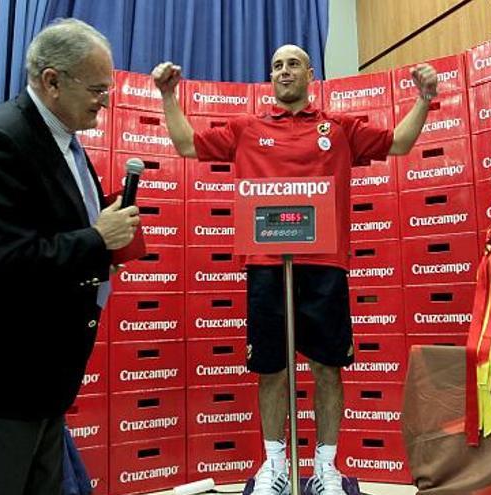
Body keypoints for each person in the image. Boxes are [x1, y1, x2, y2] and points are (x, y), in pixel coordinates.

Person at [152, 45, 437, 495]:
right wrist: (169, 96)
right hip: (265, 265)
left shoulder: (338, 127)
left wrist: (423, 99)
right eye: (276, 66)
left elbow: (398, 144)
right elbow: (187, 145)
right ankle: (275, 467)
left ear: (310, 73)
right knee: (271, 369)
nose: (283, 71)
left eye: (292, 64)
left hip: (325, 266)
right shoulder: (247, 127)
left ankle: (326, 468)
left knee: (328, 368)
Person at [0, 19, 139, 495]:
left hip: (43, 379)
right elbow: (0, 261)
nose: (105, 100)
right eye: (95, 88)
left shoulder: (62, 139)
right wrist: (95, 238)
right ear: (52, 81)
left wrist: (103, 225)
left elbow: (51, 225)